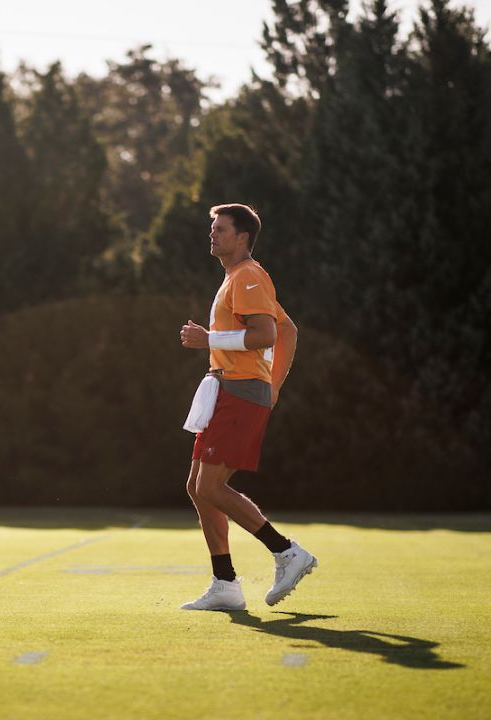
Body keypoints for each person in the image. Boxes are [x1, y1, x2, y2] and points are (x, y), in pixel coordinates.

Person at [177, 203, 316, 611]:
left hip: (239, 392)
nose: (213, 235)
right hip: (227, 391)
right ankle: (225, 584)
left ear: (242, 237)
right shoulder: (235, 278)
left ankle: (287, 552)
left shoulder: (249, 275)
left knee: (210, 487)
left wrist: (210, 341)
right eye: (212, 229)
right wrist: (272, 387)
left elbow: (266, 333)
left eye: (220, 229)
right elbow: (287, 329)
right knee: (197, 489)